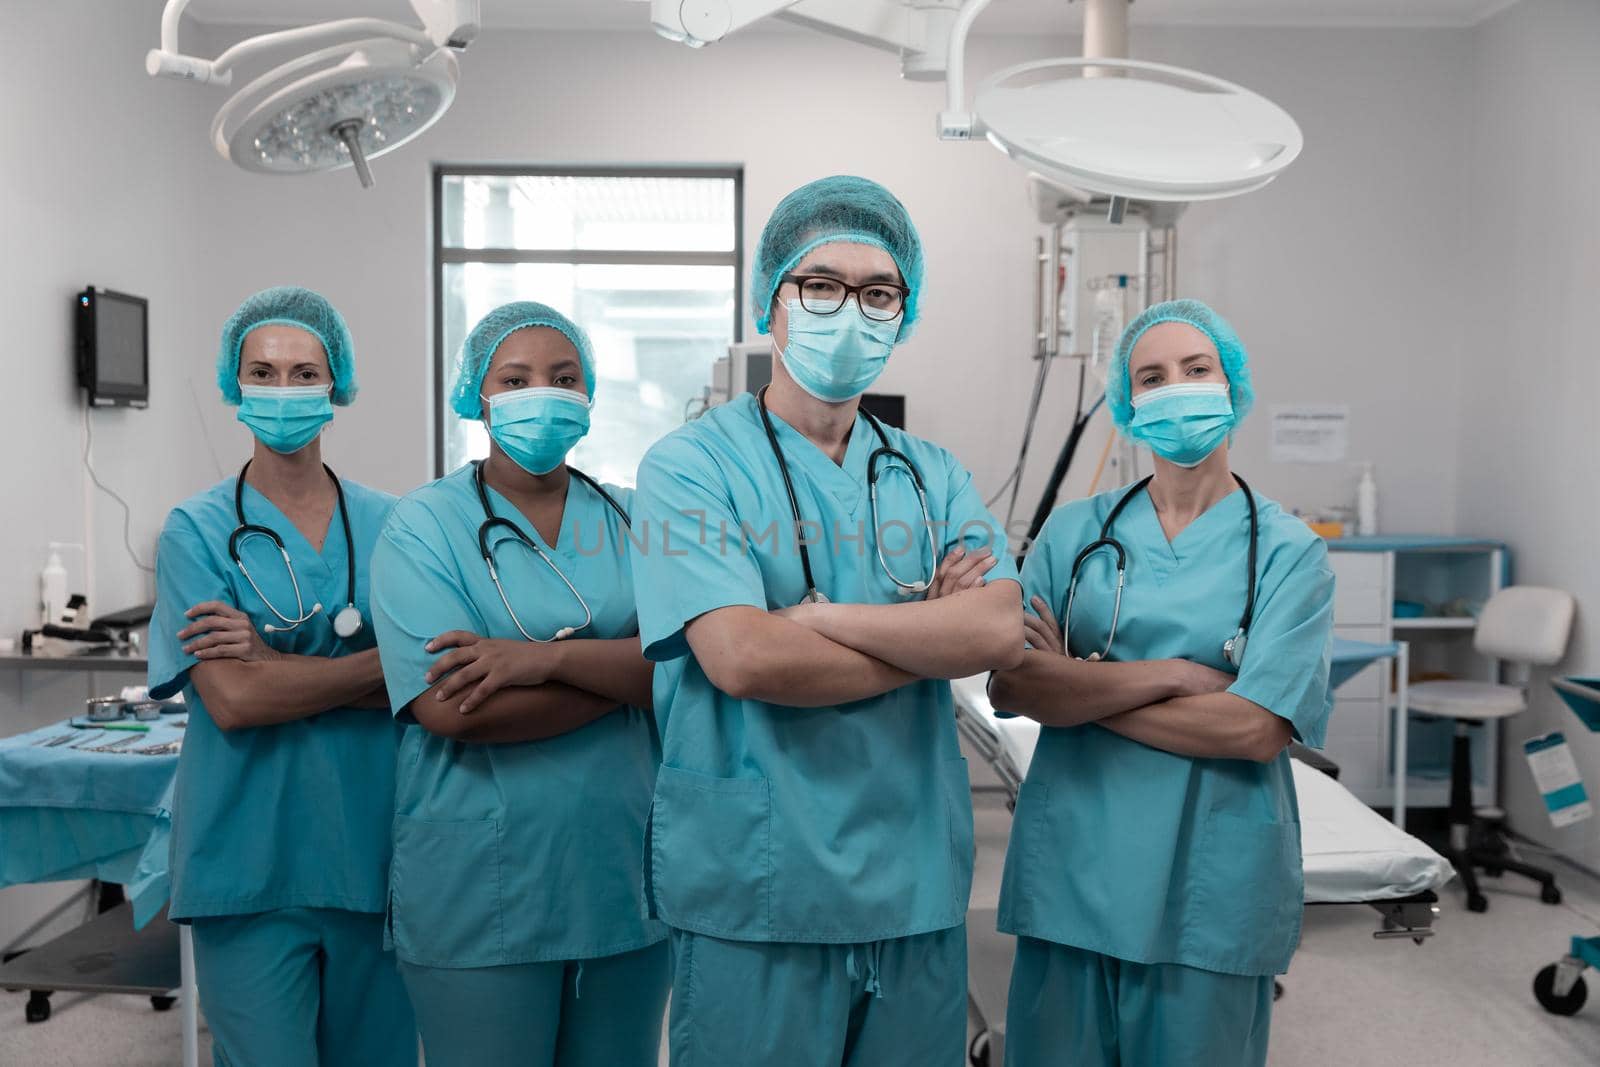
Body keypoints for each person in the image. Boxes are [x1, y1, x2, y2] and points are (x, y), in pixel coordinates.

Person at [630, 175, 1025, 1065]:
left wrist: (820, 618)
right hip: (757, 887)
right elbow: (742, 658)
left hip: (912, 887)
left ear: (903, 313)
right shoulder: (689, 467)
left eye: (879, 293)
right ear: (770, 302)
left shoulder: (932, 473)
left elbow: (998, 630)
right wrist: (925, 631)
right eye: (821, 285)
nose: (850, 312)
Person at [988, 299, 1335, 1067]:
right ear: (1129, 404)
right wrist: (1176, 677)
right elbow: (1012, 689)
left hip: (1211, 893)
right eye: (1152, 375)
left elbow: (1253, 730)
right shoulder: (1074, 533)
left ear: (1232, 385)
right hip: (1073, 881)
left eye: (1195, 368)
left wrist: (1082, 689)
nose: (1176, 387)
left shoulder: (1289, 554)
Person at [369, 302, 668, 1067]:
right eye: (517, 377)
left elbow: (684, 666)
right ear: (479, 395)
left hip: (622, 883)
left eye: (564, 377)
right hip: (480, 891)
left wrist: (539, 659)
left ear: (589, 395)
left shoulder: (636, 519)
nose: (544, 392)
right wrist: (625, 665)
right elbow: (453, 705)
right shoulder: (422, 526)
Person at [146, 286, 415, 1066]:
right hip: (248, 861)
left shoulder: (395, 524)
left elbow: (427, 683)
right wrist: (377, 669)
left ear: (338, 386)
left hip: (375, 855)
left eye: (305, 373)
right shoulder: (197, 530)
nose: (284, 391)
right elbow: (231, 701)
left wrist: (271, 660)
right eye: (263, 372)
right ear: (234, 387)